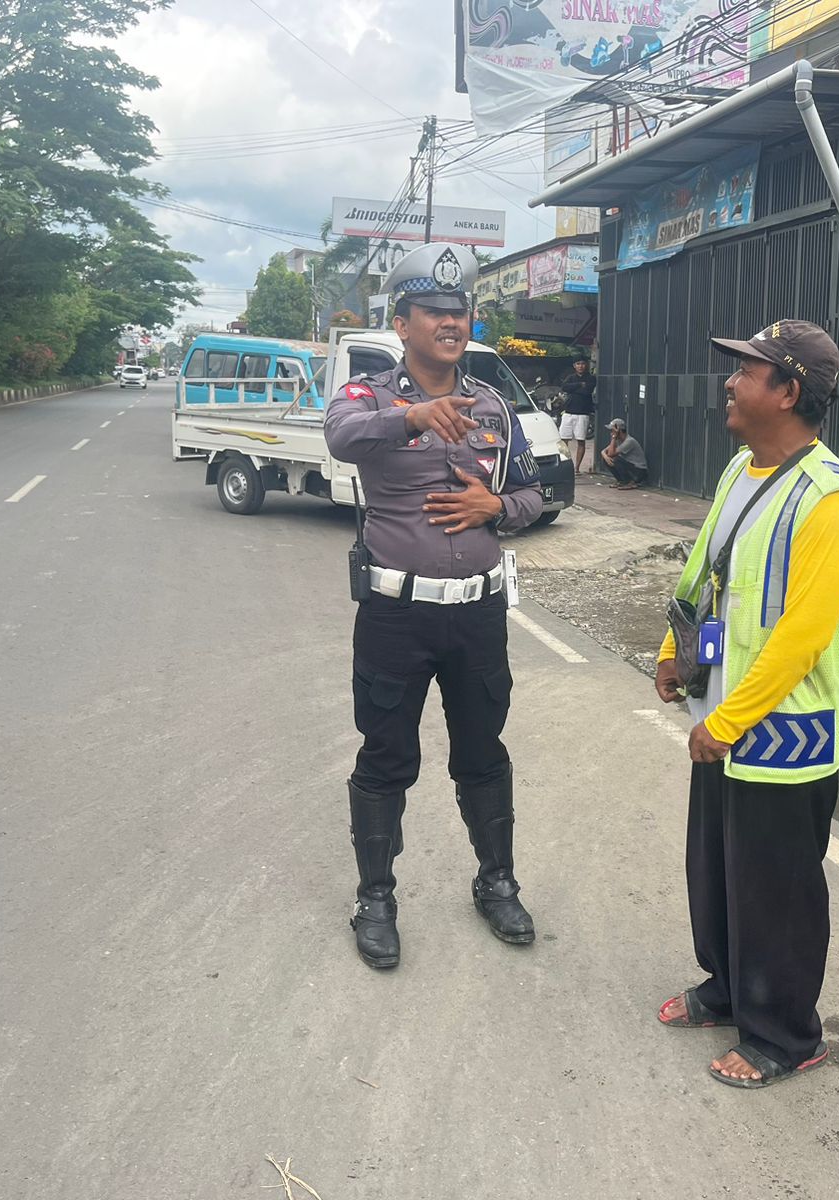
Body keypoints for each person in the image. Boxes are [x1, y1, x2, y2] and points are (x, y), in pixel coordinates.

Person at [653, 319, 839, 1089]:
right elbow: (702, 570)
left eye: (747, 371)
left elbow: (800, 638)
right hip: (723, 717)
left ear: (787, 391)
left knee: (777, 889)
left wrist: (727, 722)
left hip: (786, 736)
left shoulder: (831, 502)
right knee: (717, 868)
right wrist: (673, 652)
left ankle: (786, 1035)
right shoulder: (740, 471)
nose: (730, 382)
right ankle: (727, 988)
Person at [323, 242, 542, 970]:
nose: (451, 323)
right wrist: (415, 417)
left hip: (477, 614)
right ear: (402, 322)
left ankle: (497, 882)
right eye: (434, 312)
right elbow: (341, 437)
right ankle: (375, 899)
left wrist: (497, 507)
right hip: (396, 616)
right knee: (386, 756)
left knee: (483, 751)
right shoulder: (368, 397)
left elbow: (535, 491)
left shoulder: (495, 406)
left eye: (460, 311)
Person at [557, 354, 597, 475]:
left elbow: (587, 391)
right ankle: (565, 464)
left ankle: (577, 468)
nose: (580, 366)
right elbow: (564, 387)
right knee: (563, 440)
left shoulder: (590, 378)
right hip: (568, 412)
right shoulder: (571, 377)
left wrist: (574, 389)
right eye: (578, 364)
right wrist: (579, 385)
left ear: (586, 365)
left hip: (583, 414)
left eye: (583, 363)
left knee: (581, 440)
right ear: (574, 366)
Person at [600, 418, 649, 489]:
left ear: (618, 431)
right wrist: (605, 456)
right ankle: (622, 481)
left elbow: (611, 454)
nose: (611, 433)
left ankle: (629, 482)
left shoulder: (629, 441)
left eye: (612, 431)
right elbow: (604, 451)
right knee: (607, 459)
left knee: (616, 459)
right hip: (631, 468)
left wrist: (614, 437)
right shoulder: (618, 440)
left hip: (639, 471)